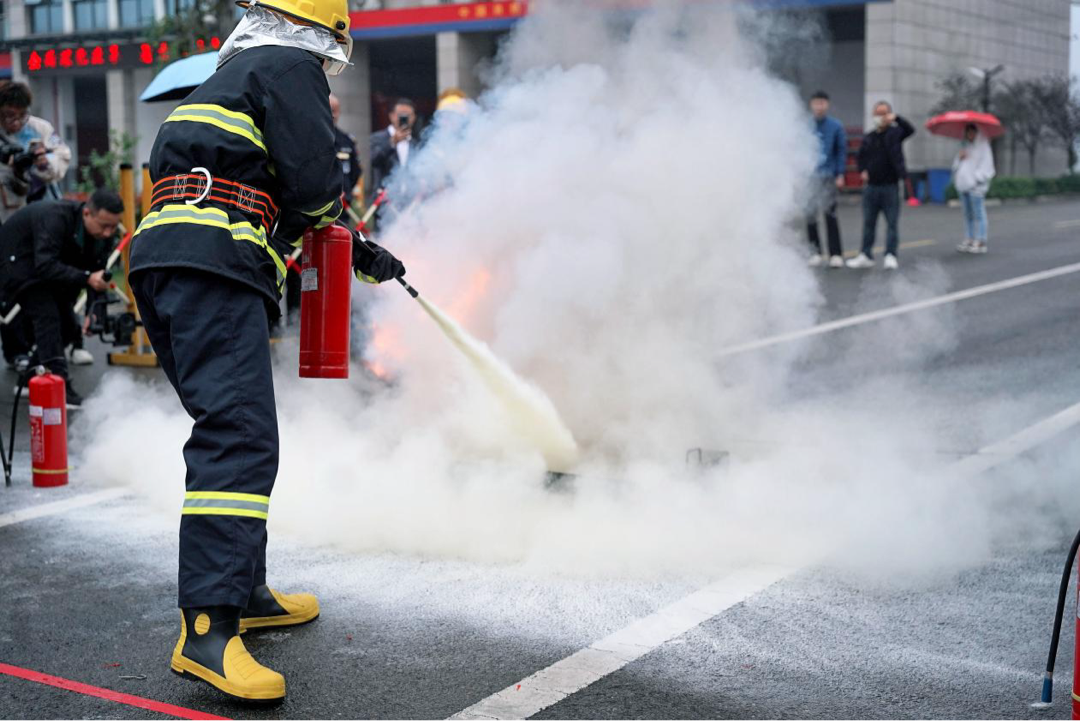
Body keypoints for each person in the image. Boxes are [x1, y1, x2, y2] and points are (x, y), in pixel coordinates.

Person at [129, 0, 405, 703]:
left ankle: (245, 590)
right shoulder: (289, 65)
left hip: (170, 259)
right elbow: (314, 187)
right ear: (318, 34)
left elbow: (260, 189)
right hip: (214, 264)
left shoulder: (230, 77)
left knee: (241, 428)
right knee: (239, 435)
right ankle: (206, 629)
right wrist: (337, 227)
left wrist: (357, 250)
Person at [0, 189, 122, 407]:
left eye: (114, 227)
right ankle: (58, 387)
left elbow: (98, 274)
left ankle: (30, 380)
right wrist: (86, 278)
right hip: (17, 262)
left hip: (46, 270)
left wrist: (93, 310)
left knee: (68, 327)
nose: (108, 233)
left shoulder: (101, 234)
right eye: (104, 226)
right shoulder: (55, 217)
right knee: (48, 318)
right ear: (87, 213)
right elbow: (46, 265)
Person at [848, 101, 915, 270]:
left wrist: (897, 119)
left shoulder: (895, 133)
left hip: (890, 186)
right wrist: (862, 170)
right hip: (871, 187)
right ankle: (865, 254)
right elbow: (860, 157)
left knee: (891, 223)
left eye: (884, 113)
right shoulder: (869, 137)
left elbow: (910, 130)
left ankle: (890, 255)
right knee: (868, 223)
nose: (881, 117)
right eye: (878, 113)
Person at [0, 81, 72, 222]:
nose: (16, 122)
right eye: (10, 115)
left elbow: (63, 155)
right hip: (7, 206)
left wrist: (45, 162)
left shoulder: (40, 128)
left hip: (41, 202)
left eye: (22, 115)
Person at [805, 91, 847, 268]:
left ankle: (835, 254)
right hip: (809, 178)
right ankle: (815, 252)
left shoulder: (836, 126)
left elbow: (841, 152)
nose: (819, 106)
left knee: (830, 215)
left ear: (827, 105)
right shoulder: (804, 126)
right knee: (810, 216)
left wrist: (840, 174)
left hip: (828, 176)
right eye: (816, 103)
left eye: (822, 103)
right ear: (811, 105)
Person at [368, 97, 419, 230]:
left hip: (409, 205)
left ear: (414, 118)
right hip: (385, 203)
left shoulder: (416, 143)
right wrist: (392, 143)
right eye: (401, 114)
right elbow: (373, 160)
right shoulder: (377, 138)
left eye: (408, 115)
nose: (404, 118)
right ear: (391, 116)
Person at [953, 124, 995, 254]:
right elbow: (956, 166)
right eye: (968, 132)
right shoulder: (966, 146)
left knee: (978, 214)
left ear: (977, 133)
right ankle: (970, 238)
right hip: (963, 185)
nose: (970, 135)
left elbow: (987, 167)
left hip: (976, 187)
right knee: (968, 215)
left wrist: (976, 179)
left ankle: (981, 240)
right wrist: (959, 158)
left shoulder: (984, 147)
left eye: (972, 132)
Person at [329, 93, 362, 203]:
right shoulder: (312, 140)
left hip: (344, 202)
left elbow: (356, 171)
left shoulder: (347, 141)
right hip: (320, 205)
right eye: (329, 110)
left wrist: (346, 190)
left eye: (334, 111)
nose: (332, 115)